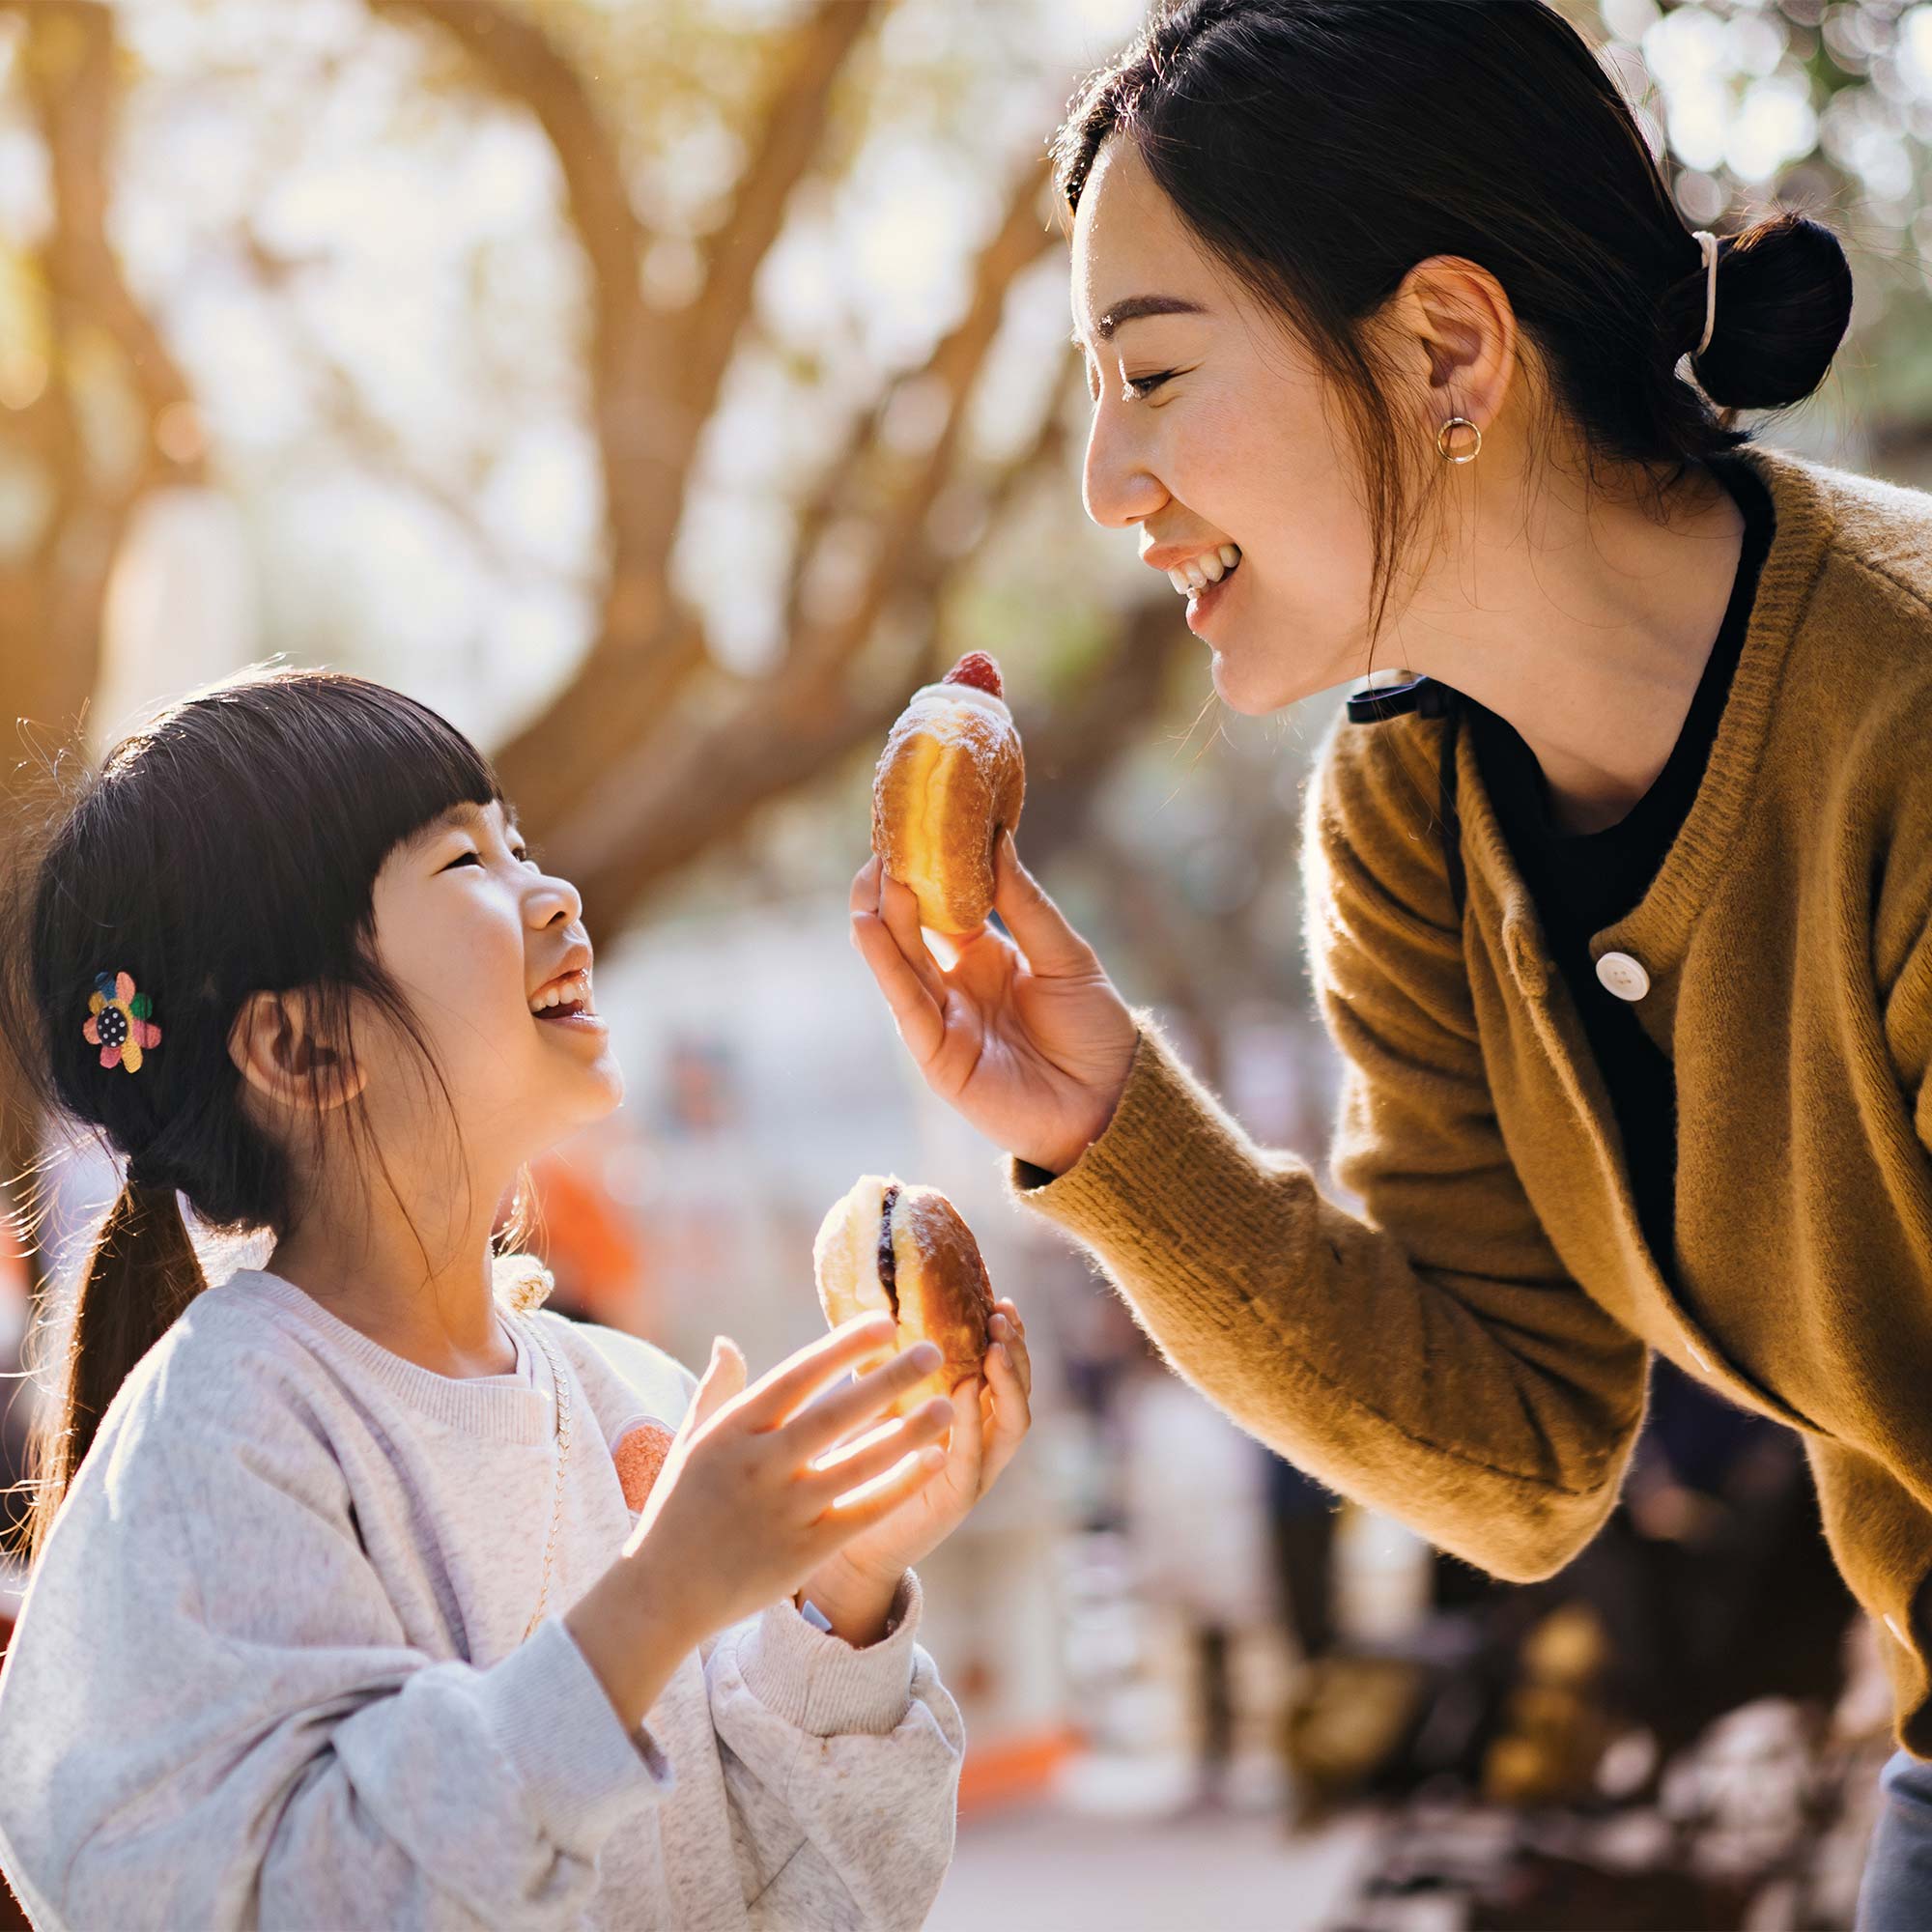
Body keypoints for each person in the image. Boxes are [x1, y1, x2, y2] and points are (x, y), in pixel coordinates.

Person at [847, 2, 1932, 1920]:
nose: (1108, 483)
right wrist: (1117, 1136)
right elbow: (1518, 1451)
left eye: (1156, 373)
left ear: (1445, 347)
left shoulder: (1905, 725)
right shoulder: (1411, 814)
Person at [0, 667, 1033, 1930]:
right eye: (465, 865)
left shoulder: (625, 1401)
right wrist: (664, 1594)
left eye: (523, 841)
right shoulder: (223, 1435)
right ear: (303, 1047)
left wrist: (847, 1592)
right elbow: (311, 1898)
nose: (558, 895)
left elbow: (816, 1900)